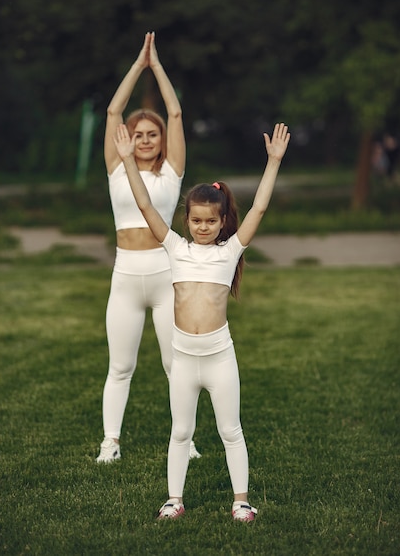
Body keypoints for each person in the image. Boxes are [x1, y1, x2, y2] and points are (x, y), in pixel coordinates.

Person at [113, 120, 290, 521]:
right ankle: (174, 500)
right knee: (180, 432)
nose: (204, 227)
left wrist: (273, 163)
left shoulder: (229, 252)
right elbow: (144, 205)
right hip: (184, 360)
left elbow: (259, 206)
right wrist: (126, 160)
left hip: (218, 358)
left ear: (223, 221)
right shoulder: (175, 248)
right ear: (186, 221)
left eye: (211, 221)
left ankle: (241, 500)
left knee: (231, 431)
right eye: (196, 221)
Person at [97, 32, 201, 463]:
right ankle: (110, 443)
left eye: (151, 134)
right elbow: (112, 109)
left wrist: (156, 67)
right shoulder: (117, 167)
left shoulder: (172, 172)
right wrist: (136, 66)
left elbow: (174, 111)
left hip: (164, 278)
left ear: (161, 140)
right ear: (128, 138)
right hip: (125, 276)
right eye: (137, 134)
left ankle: (186, 440)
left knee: (175, 366)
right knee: (120, 367)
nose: (143, 139)